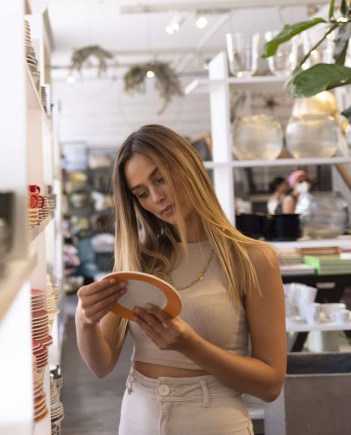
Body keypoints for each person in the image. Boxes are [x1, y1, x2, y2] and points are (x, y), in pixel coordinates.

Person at [75, 124, 286, 434]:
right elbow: (102, 365)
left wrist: (191, 346)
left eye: (161, 178)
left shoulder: (251, 258)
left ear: (188, 165)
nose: (157, 197)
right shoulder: (139, 262)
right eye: (142, 193)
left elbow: (270, 384)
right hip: (138, 417)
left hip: (213, 420)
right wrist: (85, 321)